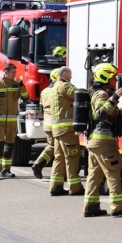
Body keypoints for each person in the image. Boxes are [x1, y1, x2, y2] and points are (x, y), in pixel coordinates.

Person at [84, 62, 122, 217]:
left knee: (95, 174)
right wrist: (114, 97)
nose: (115, 80)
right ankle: (118, 207)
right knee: (114, 172)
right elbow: (100, 114)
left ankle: (91, 207)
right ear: (105, 76)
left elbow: (110, 113)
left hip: (95, 142)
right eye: (113, 77)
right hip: (104, 142)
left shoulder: (100, 93)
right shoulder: (102, 94)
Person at [43, 67, 83, 197]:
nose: (71, 77)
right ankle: (75, 187)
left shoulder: (54, 86)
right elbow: (79, 95)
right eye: (70, 75)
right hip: (67, 130)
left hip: (57, 129)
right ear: (65, 74)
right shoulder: (65, 86)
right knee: (72, 157)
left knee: (59, 158)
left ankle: (55, 187)